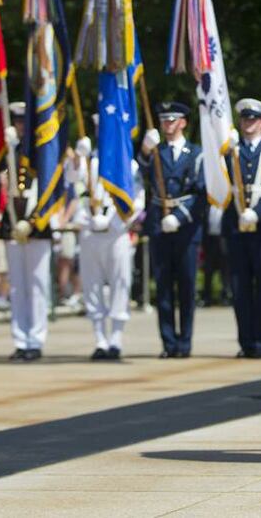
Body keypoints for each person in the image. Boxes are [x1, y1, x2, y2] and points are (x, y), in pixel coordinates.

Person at [138, 101, 205, 358]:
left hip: (186, 228)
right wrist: (144, 151)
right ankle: (168, 343)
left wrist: (179, 217)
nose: (167, 124)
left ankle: (184, 343)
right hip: (158, 223)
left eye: (172, 120)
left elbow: (201, 193)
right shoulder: (155, 152)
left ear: (183, 123)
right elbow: (141, 173)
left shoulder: (195, 153)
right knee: (164, 287)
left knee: (186, 286)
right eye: (164, 120)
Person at [68, 134, 144, 360]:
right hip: (90, 231)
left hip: (116, 232)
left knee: (120, 282)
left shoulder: (127, 163)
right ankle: (99, 339)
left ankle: (116, 339)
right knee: (92, 285)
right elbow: (72, 180)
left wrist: (115, 221)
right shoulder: (87, 160)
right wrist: (77, 158)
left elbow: (137, 200)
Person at [223, 98, 261, 359]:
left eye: (253, 119)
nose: (249, 123)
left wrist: (257, 213)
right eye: (245, 119)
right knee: (240, 287)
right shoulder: (231, 152)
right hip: (236, 226)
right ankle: (246, 341)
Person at [0, 102, 54, 361]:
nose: (20, 126)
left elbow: (49, 187)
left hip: (36, 225)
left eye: (24, 122)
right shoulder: (7, 149)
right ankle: (20, 339)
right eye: (17, 122)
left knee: (37, 285)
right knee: (18, 287)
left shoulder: (41, 151)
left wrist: (33, 221)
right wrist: (6, 150)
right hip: (12, 223)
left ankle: (36, 339)